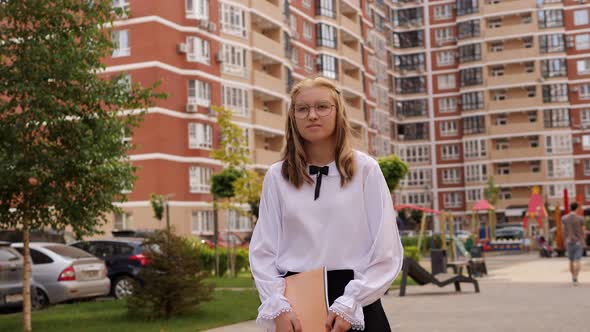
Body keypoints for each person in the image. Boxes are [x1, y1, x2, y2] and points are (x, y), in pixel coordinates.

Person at [249, 77, 403, 332]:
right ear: (293, 117)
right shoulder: (277, 177)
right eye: (302, 109)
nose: (312, 115)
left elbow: (386, 251)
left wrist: (351, 301)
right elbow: (263, 251)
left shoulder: (365, 171)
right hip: (296, 309)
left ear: (338, 113)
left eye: (322, 107)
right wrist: (278, 305)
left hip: (355, 305)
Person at [562, 202, 586, 286]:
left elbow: (563, 230)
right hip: (578, 242)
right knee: (577, 260)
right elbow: (583, 231)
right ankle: (576, 277)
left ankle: (573, 277)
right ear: (577, 208)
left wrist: (565, 239)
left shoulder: (564, 218)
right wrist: (584, 239)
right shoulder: (580, 219)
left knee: (571, 260)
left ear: (569, 208)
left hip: (569, 241)